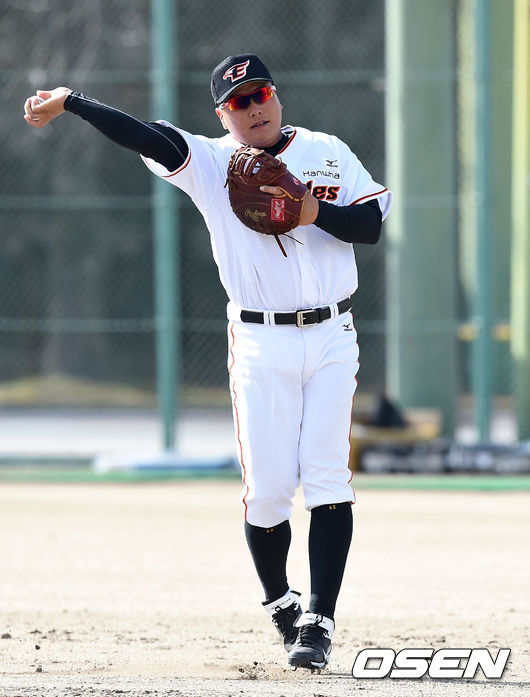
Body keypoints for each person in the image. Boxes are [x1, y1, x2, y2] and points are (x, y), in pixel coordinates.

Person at [24, 53, 392, 672]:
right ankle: (280, 601)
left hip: (333, 334)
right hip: (261, 342)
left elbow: (371, 225)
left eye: (261, 94)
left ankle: (320, 621)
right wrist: (73, 102)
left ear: (277, 96)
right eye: (238, 102)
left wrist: (313, 212)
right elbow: (146, 135)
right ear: (223, 115)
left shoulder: (327, 151)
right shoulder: (212, 163)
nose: (254, 108)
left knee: (328, 477)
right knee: (270, 492)